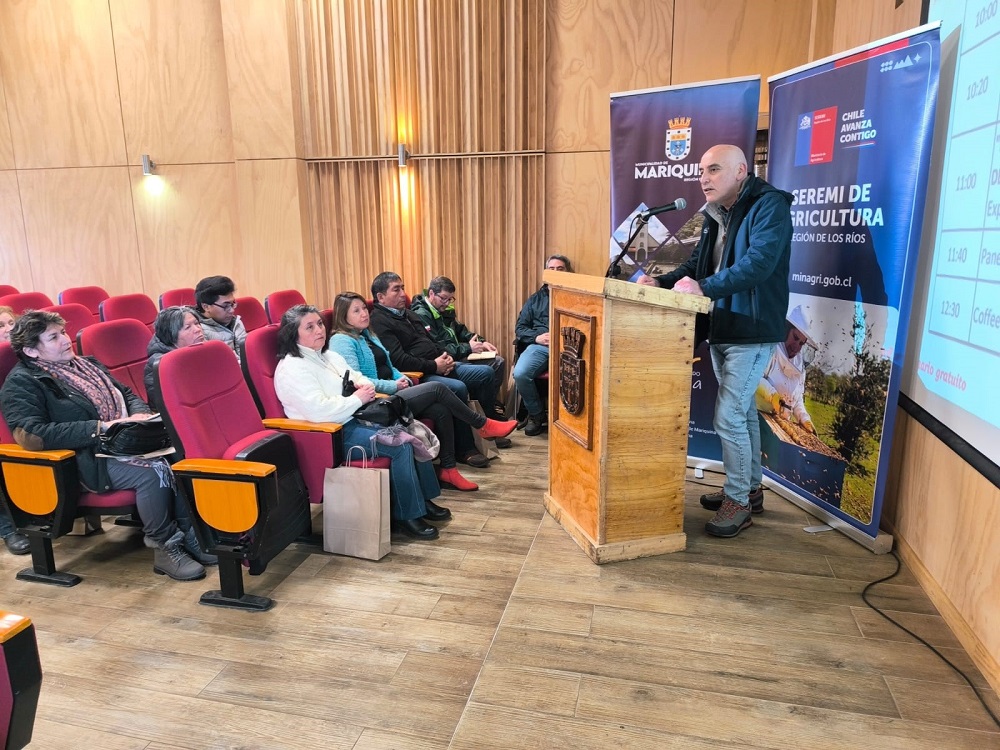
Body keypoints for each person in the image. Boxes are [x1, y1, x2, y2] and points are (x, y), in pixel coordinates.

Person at [636, 144, 792, 538]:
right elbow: (696, 265)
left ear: (741, 171)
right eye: (702, 171)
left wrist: (702, 287)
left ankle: (737, 502)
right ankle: (749, 490)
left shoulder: (768, 206)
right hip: (722, 325)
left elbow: (758, 264)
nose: (704, 178)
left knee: (728, 415)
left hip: (753, 329)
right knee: (741, 413)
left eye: (714, 169)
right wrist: (664, 280)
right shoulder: (715, 215)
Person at [0, 310, 208, 578]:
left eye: (62, 332)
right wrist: (99, 428)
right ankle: (165, 547)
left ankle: (189, 536)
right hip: (80, 459)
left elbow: (127, 393)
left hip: (118, 443)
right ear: (31, 351)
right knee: (153, 473)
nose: (65, 340)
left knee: (179, 458)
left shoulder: (87, 364)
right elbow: (32, 435)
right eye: (53, 337)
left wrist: (139, 416)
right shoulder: (21, 383)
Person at [273, 304, 451, 540]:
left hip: (355, 418)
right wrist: (357, 398)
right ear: (292, 334)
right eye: (309, 327)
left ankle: (423, 499)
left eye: (319, 323)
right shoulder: (292, 368)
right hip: (330, 434)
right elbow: (319, 411)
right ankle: (407, 514)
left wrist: (363, 387)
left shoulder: (327, 355)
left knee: (410, 428)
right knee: (401, 445)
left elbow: (356, 376)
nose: (319, 330)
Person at [328, 293, 515, 492]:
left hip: (393, 392)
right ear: (343, 316)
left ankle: (449, 469)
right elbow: (357, 382)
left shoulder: (368, 335)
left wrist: (404, 379)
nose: (364, 314)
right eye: (356, 311)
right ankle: (482, 424)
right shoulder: (342, 341)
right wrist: (394, 386)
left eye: (364, 308)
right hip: (374, 404)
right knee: (438, 388)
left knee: (439, 409)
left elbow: (391, 366)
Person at [368, 272, 495, 468]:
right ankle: (466, 448)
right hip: (420, 374)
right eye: (396, 289)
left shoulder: (408, 314)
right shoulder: (379, 321)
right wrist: (435, 365)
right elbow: (399, 360)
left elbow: (431, 342)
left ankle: (487, 431)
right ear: (380, 297)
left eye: (403, 287)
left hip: (438, 363)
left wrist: (446, 359)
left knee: (486, 373)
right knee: (459, 387)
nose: (403, 293)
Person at [410, 276, 507, 424]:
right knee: (490, 368)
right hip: (446, 359)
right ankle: (486, 416)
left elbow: (461, 330)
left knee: (498, 362)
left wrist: (481, 341)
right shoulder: (421, 315)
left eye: (450, 299)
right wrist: (468, 348)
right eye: (444, 298)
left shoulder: (443, 309)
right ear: (431, 294)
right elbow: (437, 347)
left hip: (458, 353)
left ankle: (484, 407)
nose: (447, 303)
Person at [512, 254, 572, 436]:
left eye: (560, 269)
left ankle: (571, 421)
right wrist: (537, 337)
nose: (555, 272)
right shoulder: (535, 299)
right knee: (520, 373)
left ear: (568, 272)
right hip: (541, 346)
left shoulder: (578, 295)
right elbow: (520, 328)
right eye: (551, 269)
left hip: (570, 347)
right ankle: (537, 415)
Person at [755, 305, 818, 434]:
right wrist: (771, 395)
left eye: (801, 343)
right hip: (756, 417)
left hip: (779, 426)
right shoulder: (768, 349)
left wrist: (804, 417)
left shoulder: (800, 367)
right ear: (786, 329)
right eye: (795, 337)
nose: (796, 347)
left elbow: (796, 399)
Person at [0, 305, 30, 555]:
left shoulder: (24, 354)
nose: (8, 329)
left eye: (11, 323)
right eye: (0, 326)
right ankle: (8, 529)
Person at [144, 306, 206, 411]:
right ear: (172, 336)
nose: (197, 329)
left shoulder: (204, 348)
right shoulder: (161, 364)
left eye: (196, 323)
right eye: (188, 327)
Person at [194, 275, 246, 362]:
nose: (232, 310)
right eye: (225, 306)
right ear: (206, 307)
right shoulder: (198, 331)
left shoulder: (236, 322)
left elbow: (246, 357)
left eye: (233, 303)